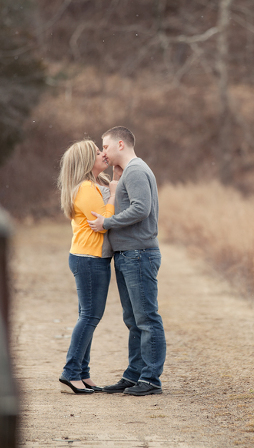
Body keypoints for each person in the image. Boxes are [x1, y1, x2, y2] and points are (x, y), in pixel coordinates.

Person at [88, 126, 165, 396]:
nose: (104, 153)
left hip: (139, 254)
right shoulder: (127, 172)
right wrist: (114, 182)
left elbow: (141, 209)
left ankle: (151, 379)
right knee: (133, 319)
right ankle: (134, 375)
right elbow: (127, 204)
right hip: (128, 254)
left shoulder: (136, 170)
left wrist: (106, 223)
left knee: (146, 318)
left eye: (106, 147)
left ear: (120, 144)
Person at [56, 139, 116, 394]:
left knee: (89, 316)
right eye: (97, 152)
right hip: (89, 258)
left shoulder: (93, 185)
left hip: (91, 257)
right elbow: (107, 219)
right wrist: (113, 192)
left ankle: (83, 372)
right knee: (90, 316)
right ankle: (70, 373)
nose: (103, 154)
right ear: (84, 161)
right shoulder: (85, 189)